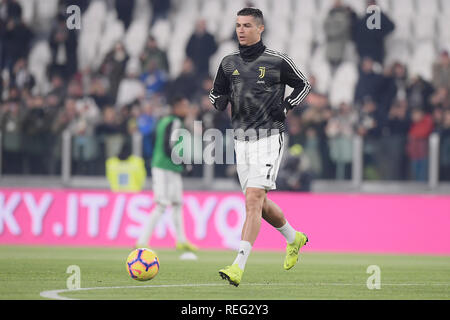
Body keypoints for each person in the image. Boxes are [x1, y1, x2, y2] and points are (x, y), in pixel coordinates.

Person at [209, 8, 311, 286]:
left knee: (253, 200)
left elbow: (303, 84)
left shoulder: (277, 61)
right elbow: (216, 91)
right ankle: (294, 238)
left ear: (260, 28)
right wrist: (218, 100)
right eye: (238, 25)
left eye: (247, 25)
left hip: (268, 138)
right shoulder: (228, 62)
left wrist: (287, 106)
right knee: (261, 204)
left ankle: (237, 266)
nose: (241, 30)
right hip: (240, 140)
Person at [136, 96, 198, 252]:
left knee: (177, 203)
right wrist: (184, 163)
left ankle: (181, 240)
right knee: (162, 204)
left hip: (170, 168)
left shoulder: (164, 121)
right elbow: (168, 146)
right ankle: (142, 241)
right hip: (164, 168)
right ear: (176, 108)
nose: (186, 110)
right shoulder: (175, 122)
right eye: (184, 106)